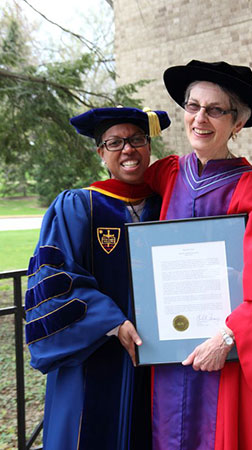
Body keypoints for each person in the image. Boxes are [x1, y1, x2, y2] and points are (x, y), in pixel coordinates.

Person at [145, 60, 252, 449]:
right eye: (192, 106)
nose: (200, 118)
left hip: (228, 358)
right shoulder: (168, 173)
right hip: (170, 354)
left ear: (237, 124)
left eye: (215, 110)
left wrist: (227, 337)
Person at [24, 106, 171, 450]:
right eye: (115, 142)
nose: (128, 149)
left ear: (149, 146)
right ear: (101, 152)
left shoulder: (169, 205)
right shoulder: (77, 206)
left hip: (160, 360)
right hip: (92, 358)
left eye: (136, 139)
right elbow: (54, 277)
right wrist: (113, 322)